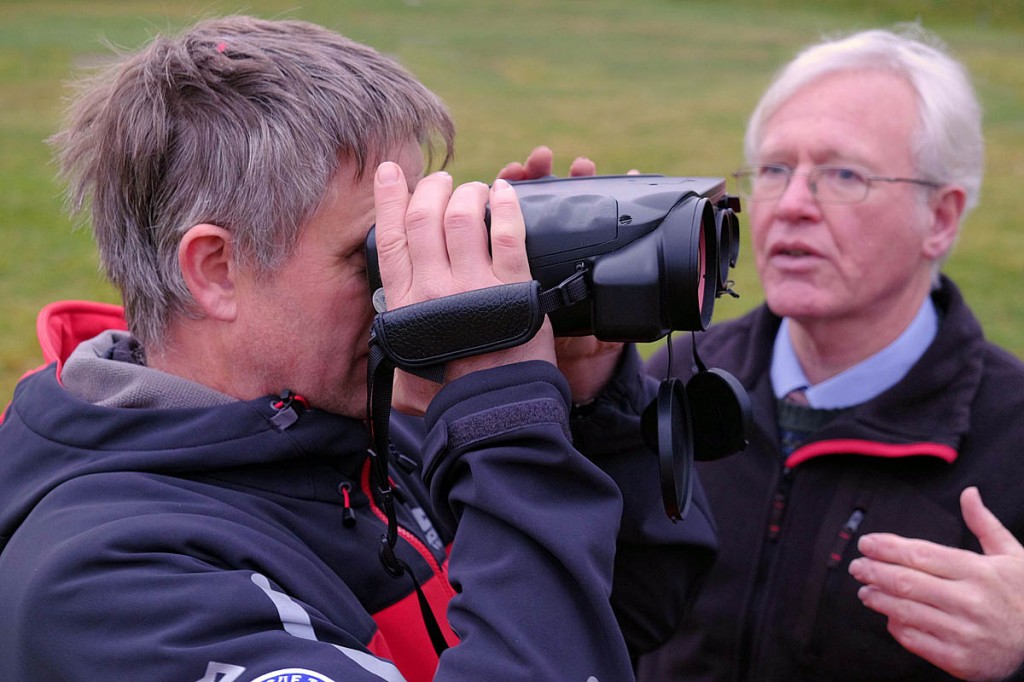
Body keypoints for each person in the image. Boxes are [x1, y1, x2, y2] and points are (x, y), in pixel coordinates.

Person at [0, 16, 717, 681]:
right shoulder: (112, 588)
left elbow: (616, 621)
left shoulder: (350, 432)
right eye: (373, 253)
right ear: (216, 270)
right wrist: (508, 428)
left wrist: (583, 395)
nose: (407, 288)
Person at [635, 26, 1024, 682]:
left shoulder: (1013, 437)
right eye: (776, 170)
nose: (790, 206)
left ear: (942, 218)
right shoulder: (675, 381)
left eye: (844, 174)